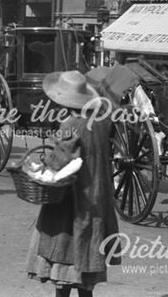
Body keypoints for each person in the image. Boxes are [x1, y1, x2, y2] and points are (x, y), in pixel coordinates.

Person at [25, 70, 120, 296]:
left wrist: (44, 161)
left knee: (64, 270)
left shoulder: (70, 124)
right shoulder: (101, 122)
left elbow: (59, 162)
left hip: (73, 202)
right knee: (85, 277)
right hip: (97, 197)